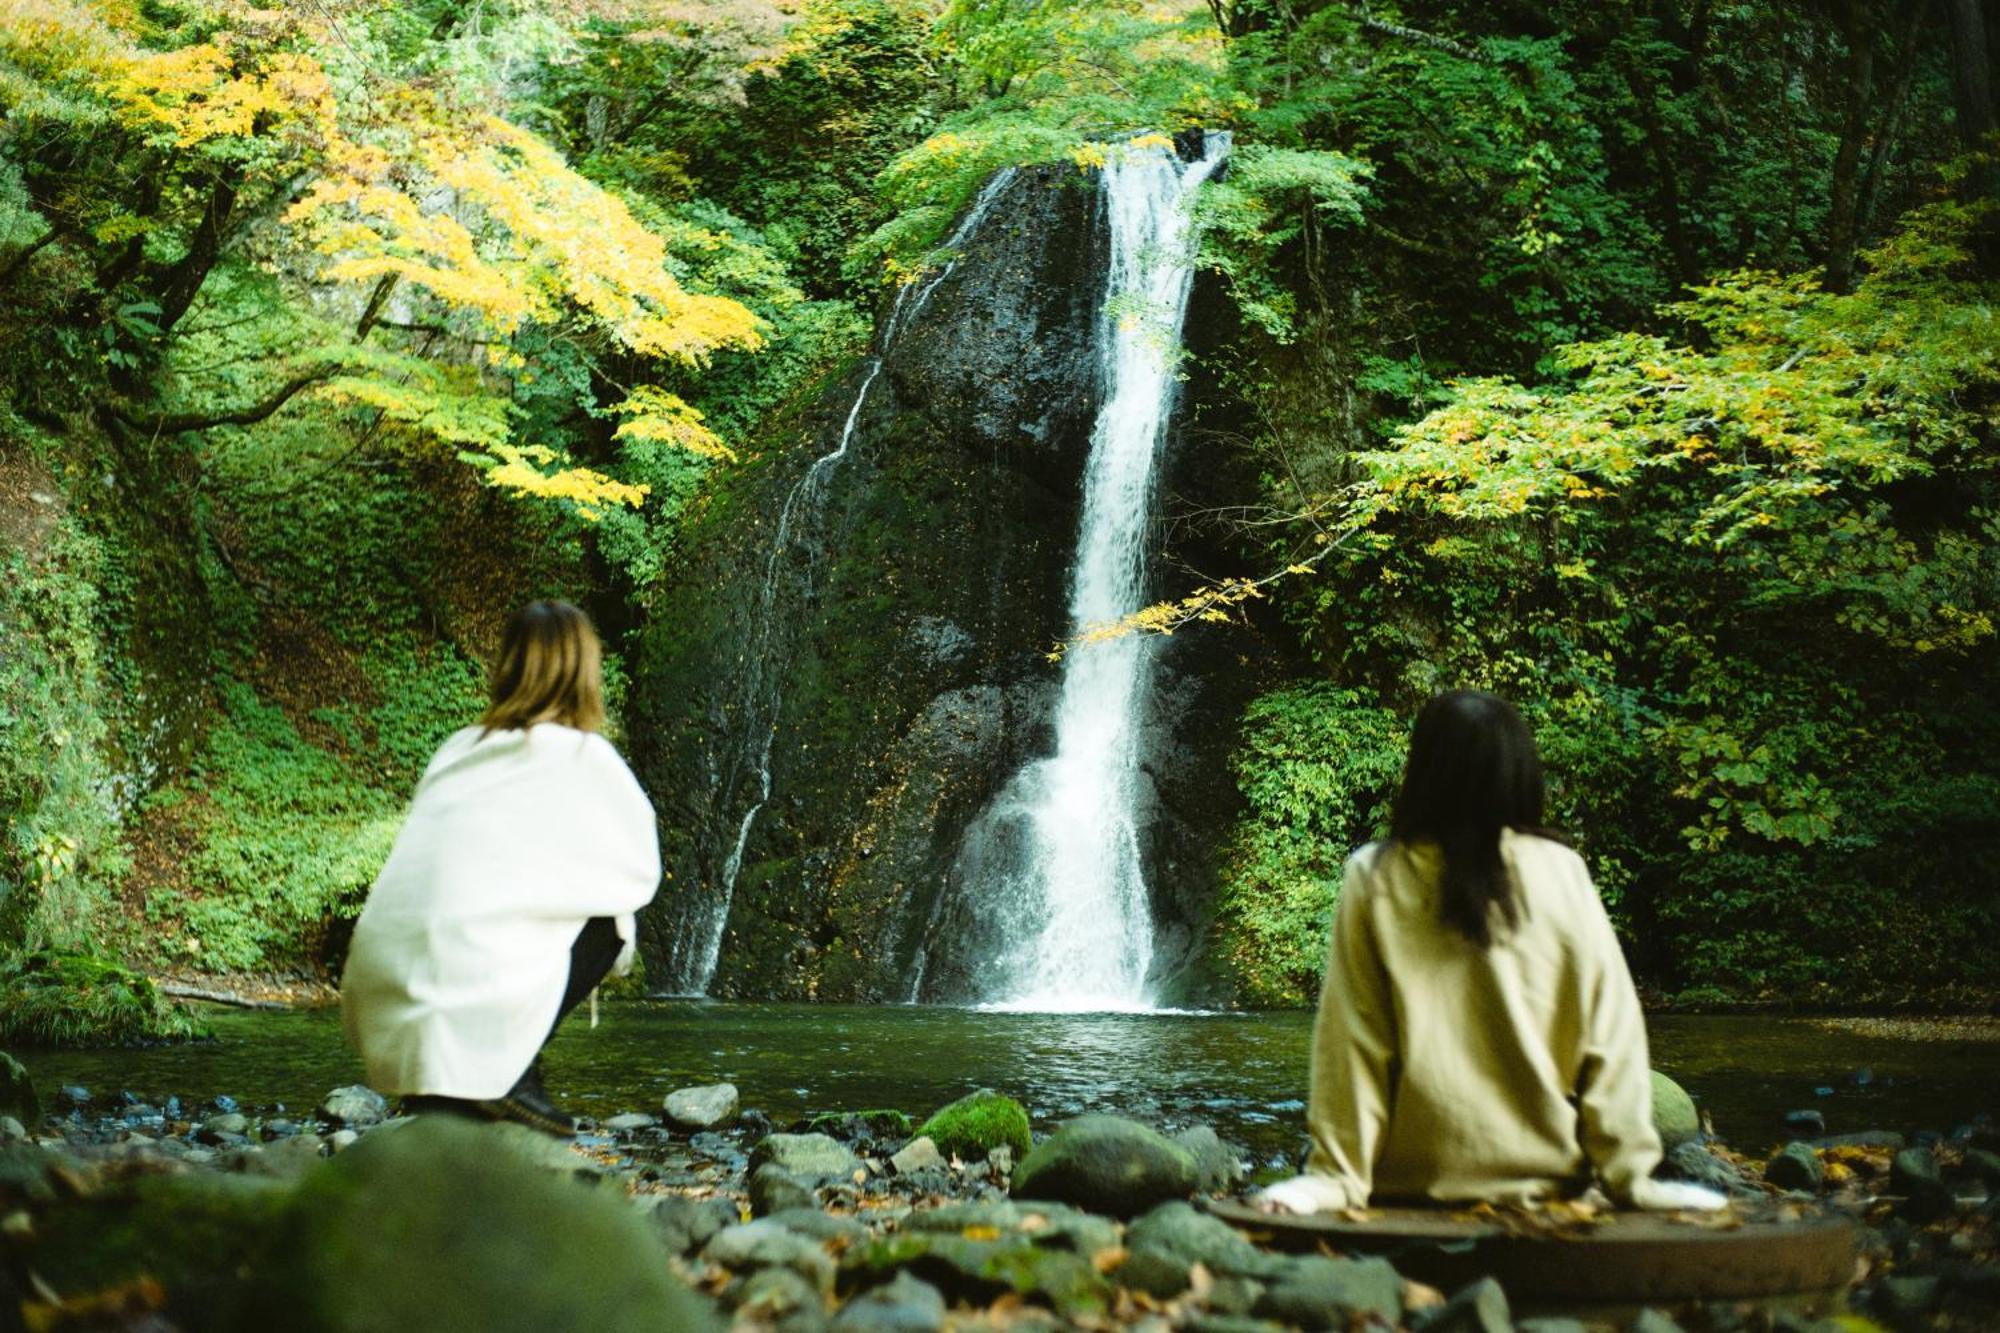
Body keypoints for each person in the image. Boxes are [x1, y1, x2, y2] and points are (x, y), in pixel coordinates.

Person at [1257, 690, 1723, 1214]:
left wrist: (1335, 1177)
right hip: (1544, 1180)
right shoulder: (1562, 870)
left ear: (1423, 773)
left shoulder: (1374, 875)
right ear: (1519, 774)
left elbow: (1352, 1041)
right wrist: (1630, 1175)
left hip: (1407, 1183)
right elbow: (1609, 1036)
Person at [340, 600, 660, 1135]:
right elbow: (638, 872)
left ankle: (448, 1081)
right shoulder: (584, 756)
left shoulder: (459, 748)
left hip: (381, 994)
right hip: (457, 992)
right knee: (614, 921)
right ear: (585, 673)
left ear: (507, 666)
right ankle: (510, 1074)